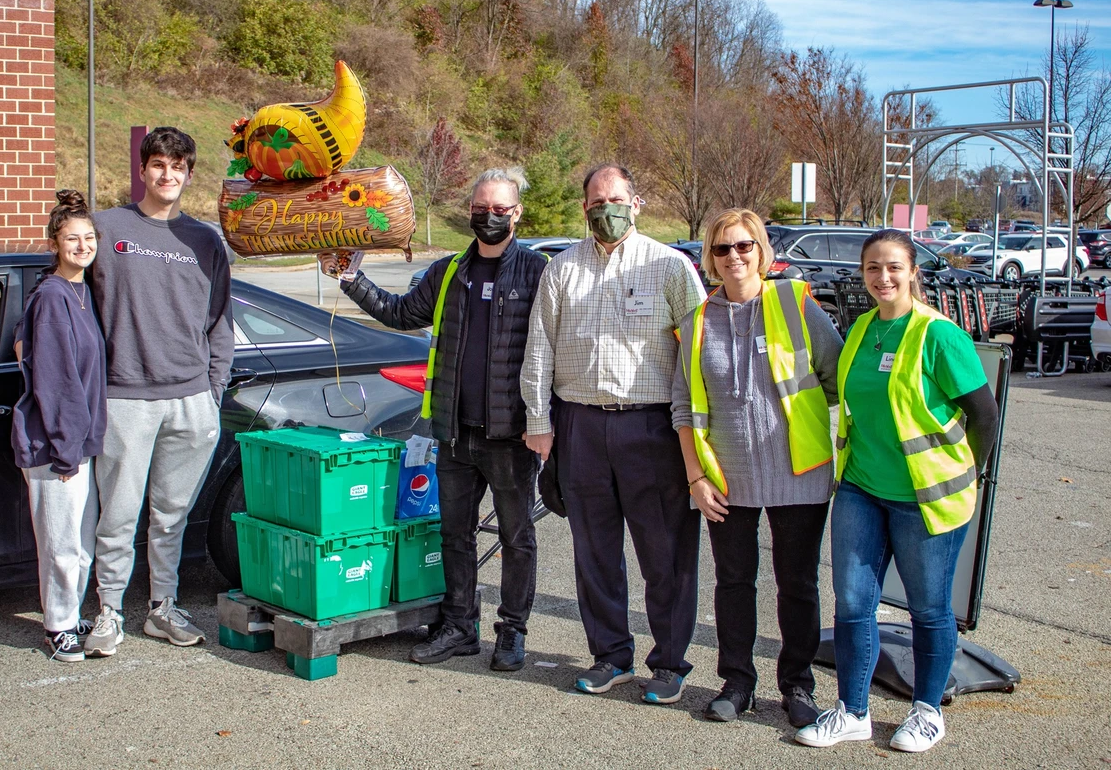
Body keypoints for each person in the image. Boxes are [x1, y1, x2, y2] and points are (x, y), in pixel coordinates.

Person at [333, 167, 548, 671]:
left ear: (516, 214)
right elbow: (402, 313)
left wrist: (547, 422)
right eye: (481, 208)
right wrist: (350, 278)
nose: (489, 217)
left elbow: (558, 347)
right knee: (454, 534)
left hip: (511, 435)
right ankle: (459, 627)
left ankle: (512, 633)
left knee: (517, 538)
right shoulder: (450, 270)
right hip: (452, 431)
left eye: (500, 209)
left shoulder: (538, 271)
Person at [796, 229, 998, 753]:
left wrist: (965, 470)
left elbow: (984, 416)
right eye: (872, 269)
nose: (882, 278)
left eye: (892, 268)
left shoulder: (939, 335)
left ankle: (927, 712)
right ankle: (853, 712)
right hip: (862, 488)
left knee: (930, 609)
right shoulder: (861, 329)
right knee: (854, 603)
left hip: (924, 497)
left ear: (913, 273)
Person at [521, 163, 707, 703]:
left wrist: (696, 431)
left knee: (665, 551)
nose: (607, 209)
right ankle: (610, 655)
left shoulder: (669, 268)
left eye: (617, 198)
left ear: (636, 201)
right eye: (597, 201)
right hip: (580, 424)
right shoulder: (562, 270)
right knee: (594, 551)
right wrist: (540, 423)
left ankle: (669, 663)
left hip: (653, 425)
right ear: (584, 208)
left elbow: (699, 355)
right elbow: (540, 350)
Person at [672, 208, 842, 726]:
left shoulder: (796, 303)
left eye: (744, 246)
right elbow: (683, 406)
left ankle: (797, 686)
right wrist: (695, 477)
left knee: (798, 584)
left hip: (800, 474)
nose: (734, 257)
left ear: (762, 252)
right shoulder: (696, 322)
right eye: (722, 249)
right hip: (727, 477)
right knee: (733, 583)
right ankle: (737, 681)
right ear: (710, 258)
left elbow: (837, 376)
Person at [83, 127, 234, 656]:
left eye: (178, 167)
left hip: (191, 401)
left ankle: (161, 609)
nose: (167, 175)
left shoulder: (205, 240)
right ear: (142, 170)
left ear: (189, 174)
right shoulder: (106, 229)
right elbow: (65, 299)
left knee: (171, 515)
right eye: (158, 166)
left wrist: (213, 391)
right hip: (124, 397)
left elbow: (220, 321)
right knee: (118, 516)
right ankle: (108, 613)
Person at [11, 190, 106, 662]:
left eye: (89, 237)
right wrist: (67, 449)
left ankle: (68, 612)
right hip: (55, 447)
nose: (83, 245)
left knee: (77, 539)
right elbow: (55, 380)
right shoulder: (53, 296)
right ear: (54, 243)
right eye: (73, 238)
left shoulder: (80, 291)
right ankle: (57, 628)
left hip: (77, 444)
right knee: (61, 544)